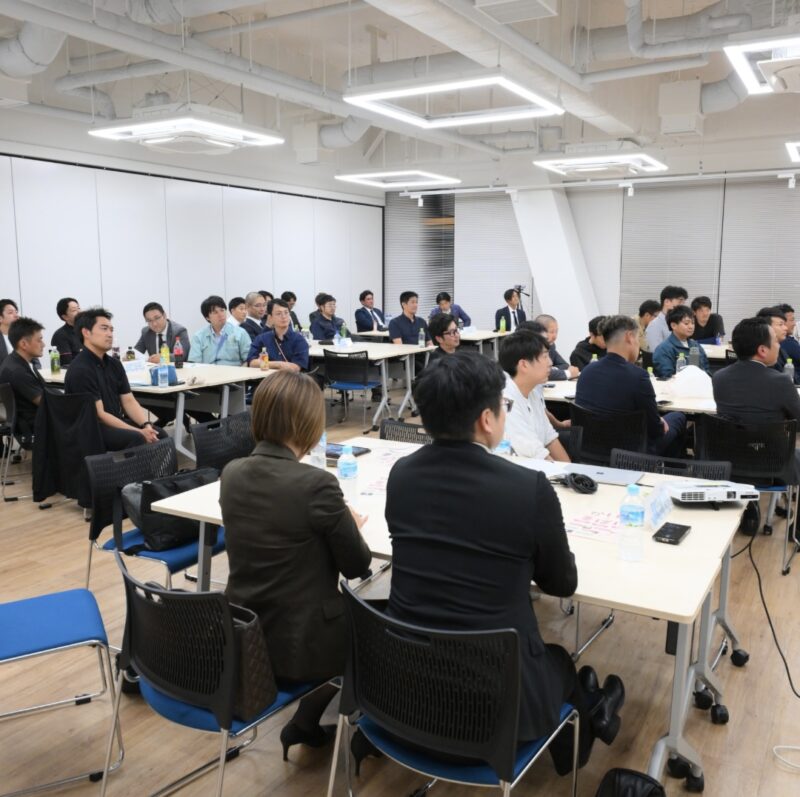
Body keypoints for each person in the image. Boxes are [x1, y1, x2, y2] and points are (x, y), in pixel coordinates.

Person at [385, 352, 624, 775]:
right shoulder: (527, 487)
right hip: (493, 708)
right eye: (504, 405)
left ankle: (592, 707)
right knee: (559, 661)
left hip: (405, 691)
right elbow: (561, 584)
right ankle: (585, 731)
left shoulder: (401, 474)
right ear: (486, 419)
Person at [220, 371, 371, 757]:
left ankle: (306, 722)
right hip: (300, 644)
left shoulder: (232, 473)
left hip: (244, 631)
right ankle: (375, 733)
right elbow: (357, 565)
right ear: (309, 423)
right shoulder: (316, 484)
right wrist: (349, 524)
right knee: (379, 621)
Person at [575, 315, 687, 457]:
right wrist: (660, 422)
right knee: (678, 417)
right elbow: (656, 430)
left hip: (590, 450)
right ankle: (670, 468)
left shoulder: (587, 371)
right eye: (638, 338)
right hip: (630, 455)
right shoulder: (638, 376)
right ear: (629, 337)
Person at [65, 308, 165, 450]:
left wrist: (146, 425)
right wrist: (139, 432)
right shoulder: (81, 369)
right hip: (91, 429)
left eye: (111, 330)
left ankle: (158, 466)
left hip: (114, 422)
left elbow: (129, 401)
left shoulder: (114, 364)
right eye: (104, 329)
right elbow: (99, 414)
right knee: (138, 438)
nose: (110, 334)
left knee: (159, 433)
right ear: (86, 332)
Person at [713, 318, 800, 428]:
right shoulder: (781, 381)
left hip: (728, 439)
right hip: (769, 439)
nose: (779, 346)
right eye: (776, 341)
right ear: (762, 350)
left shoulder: (719, 377)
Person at [499, 330, 570, 461]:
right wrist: (565, 472)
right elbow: (537, 454)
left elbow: (550, 438)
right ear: (524, 365)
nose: (550, 363)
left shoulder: (532, 392)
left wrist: (570, 469)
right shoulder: (506, 401)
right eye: (545, 357)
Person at [0, 317, 49, 444]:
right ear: (23, 344)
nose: (43, 344)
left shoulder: (15, 361)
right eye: (39, 340)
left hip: (31, 420)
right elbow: (46, 403)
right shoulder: (17, 371)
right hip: (33, 426)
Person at [247, 299, 309, 372]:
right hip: (266, 378)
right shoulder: (262, 338)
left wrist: (264, 363)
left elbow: (296, 368)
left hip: (289, 378)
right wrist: (279, 364)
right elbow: (251, 363)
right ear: (270, 317)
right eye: (278, 313)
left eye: (286, 313)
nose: (283, 316)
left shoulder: (299, 339)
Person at [188, 295, 250, 366]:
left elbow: (248, 360)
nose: (221, 315)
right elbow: (194, 363)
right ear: (207, 317)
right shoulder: (198, 337)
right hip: (207, 372)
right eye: (215, 312)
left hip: (234, 371)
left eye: (222, 310)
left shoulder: (240, 333)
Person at [652, 306, 710, 378]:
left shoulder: (695, 345)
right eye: (686, 323)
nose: (691, 326)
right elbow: (667, 375)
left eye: (693, 323)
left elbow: (706, 369)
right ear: (673, 325)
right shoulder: (664, 349)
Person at [755, 306, 796, 381]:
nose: (785, 328)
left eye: (784, 324)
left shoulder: (780, 349)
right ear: (767, 327)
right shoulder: (765, 355)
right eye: (780, 324)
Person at [534, 314, 578, 380]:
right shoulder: (531, 347)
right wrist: (568, 373)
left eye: (556, 332)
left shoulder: (551, 346)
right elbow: (538, 372)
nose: (555, 336)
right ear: (539, 332)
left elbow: (564, 365)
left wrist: (552, 369)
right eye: (551, 332)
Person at [645, 286, 688, 351]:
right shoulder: (654, 325)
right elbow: (656, 352)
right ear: (667, 302)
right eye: (680, 302)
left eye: (683, 303)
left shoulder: (678, 323)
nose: (682, 306)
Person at [50, 297, 82, 365]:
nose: (79, 312)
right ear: (65, 317)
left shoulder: (87, 330)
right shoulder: (60, 335)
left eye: (79, 308)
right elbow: (67, 363)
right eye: (74, 310)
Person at [0, 299, 19, 367]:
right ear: (0, 318)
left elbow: (35, 362)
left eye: (16, 312)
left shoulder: (23, 336)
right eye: (10, 312)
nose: (16, 315)